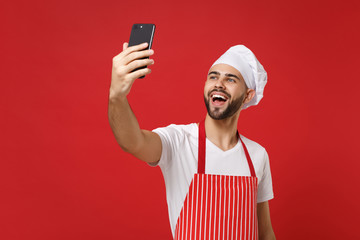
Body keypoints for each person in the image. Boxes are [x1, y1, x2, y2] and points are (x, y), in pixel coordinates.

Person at [108, 42, 276, 240]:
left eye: (230, 79)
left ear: (248, 95)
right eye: (213, 76)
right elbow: (132, 142)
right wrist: (116, 96)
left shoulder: (257, 155)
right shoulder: (178, 141)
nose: (219, 83)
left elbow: (265, 232)